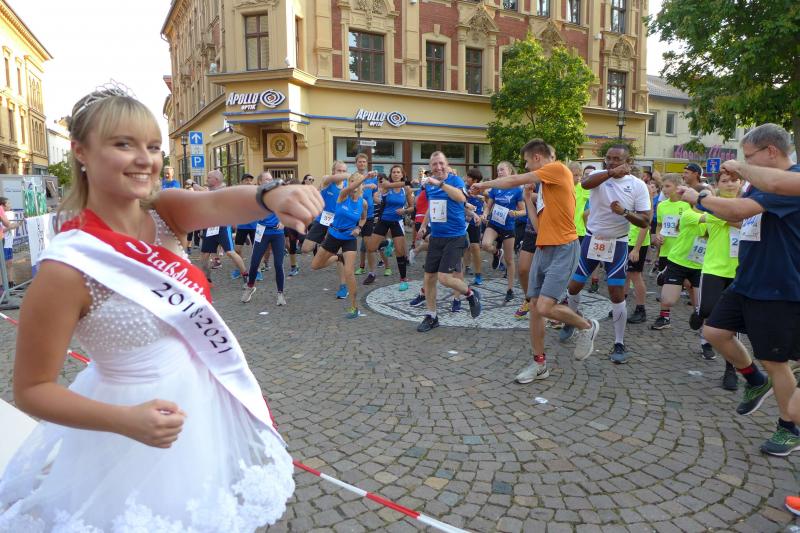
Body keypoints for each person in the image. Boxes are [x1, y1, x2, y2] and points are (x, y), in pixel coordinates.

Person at [0, 87, 324, 530]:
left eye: (153, 146)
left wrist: (271, 195)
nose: (144, 159)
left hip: (199, 404)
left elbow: (217, 203)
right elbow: (32, 389)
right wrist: (124, 421)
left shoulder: (164, 214)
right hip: (125, 422)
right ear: (80, 151)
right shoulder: (66, 268)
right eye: (123, 144)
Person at [679, 125, 800, 472]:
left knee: (776, 361)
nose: (744, 163)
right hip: (748, 279)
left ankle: (788, 428)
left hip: (776, 287)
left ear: (771, 151)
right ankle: (755, 381)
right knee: (714, 331)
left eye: (749, 156)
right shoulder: (762, 182)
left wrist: (700, 198)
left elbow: (737, 212)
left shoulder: (788, 182)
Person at [471, 139, 599, 382]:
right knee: (535, 308)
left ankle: (587, 327)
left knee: (545, 307)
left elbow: (513, 180)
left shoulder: (557, 169)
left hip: (564, 248)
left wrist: (483, 185)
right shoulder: (547, 188)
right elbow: (539, 227)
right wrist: (529, 200)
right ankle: (539, 364)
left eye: (527, 162)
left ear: (537, 158)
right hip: (543, 248)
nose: (527, 167)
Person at [562, 145, 651, 364]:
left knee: (616, 292)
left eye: (617, 159)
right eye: (608, 158)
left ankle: (619, 342)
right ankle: (571, 320)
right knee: (574, 286)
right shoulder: (600, 176)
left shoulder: (637, 185)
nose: (611, 162)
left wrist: (625, 212)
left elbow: (645, 221)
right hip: (592, 239)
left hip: (618, 242)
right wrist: (610, 172)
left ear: (628, 161)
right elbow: (585, 183)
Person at [416, 152, 481, 332]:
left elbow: (461, 198)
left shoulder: (455, 181)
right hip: (437, 236)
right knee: (429, 278)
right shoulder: (429, 185)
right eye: (434, 164)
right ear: (430, 167)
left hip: (455, 236)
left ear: (447, 164)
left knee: (444, 278)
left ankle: (470, 294)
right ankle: (432, 316)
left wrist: (440, 184)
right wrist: (424, 226)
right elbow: (432, 206)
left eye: (441, 163)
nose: (438, 167)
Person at [688, 171, 742, 380]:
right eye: (725, 181)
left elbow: (742, 222)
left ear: (741, 182)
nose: (730, 184)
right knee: (708, 309)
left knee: (732, 323)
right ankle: (700, 312)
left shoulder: (747, 205)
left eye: (734, 180)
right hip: (714, 268)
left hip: (739, 271)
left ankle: (731, 369)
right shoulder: (714, 205)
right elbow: (735, 220)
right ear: (717, 185)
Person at [311, 172, 368, 318]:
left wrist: (359, 228)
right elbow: (349, 189)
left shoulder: (363, 203)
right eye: (352, 181)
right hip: (334, 235)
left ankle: (354, 307)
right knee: (315, 265)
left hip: (349, 238)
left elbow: (363, 218)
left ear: (361, 186)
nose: (354, 185)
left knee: (349, 272)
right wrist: (364, 178)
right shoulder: (343, 195)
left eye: (357, 182)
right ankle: (338, 258)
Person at [300, 161, 350, 298]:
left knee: (340, 253)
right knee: (305, 249)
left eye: (344, 170)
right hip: (323, 219)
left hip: (338, 222)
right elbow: (334, 178)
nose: (342, 173)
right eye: (339, 170)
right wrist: (350, 175)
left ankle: (343, 286)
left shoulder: (347, 185)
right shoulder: (327, 180)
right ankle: (334, 256)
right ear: (333, 171)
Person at [241, 172, 289, 306]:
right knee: (255, 262)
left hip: (277, 233)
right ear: (260, 182)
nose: (270, 181)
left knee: (278, 264)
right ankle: (250, 287)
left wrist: (283, 221)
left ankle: (280, 294)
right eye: (267, 179)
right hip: (262, 232)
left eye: (271, 179)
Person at [481, 161, 524, 302]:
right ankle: (496, 253)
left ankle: (510, 289)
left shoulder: (517, 190)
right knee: (485, 244)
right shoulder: (495, 188)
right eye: (498, 170)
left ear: (510, 171)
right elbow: (488, 206)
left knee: (509, 260)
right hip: (494, 223)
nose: (499, 172)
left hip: (508, 227)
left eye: (502, 170)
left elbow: (524, 210)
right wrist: (485, 214)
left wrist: (515, 213)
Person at [198, 170, 248, 285]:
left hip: (222, 227)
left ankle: (246, 275)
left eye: (209, 177)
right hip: (210, 227)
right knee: (204, 255)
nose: (206, 179)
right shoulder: (209, 191)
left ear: (216, 180)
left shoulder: (224, 191)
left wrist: (192, 183)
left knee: (230, 252)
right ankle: (207, 279)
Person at [368, 165, 414, 291]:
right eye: (394, 172)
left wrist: (405, 211)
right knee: (371, 248)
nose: (396, 174)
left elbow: (412, 207)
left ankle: (403, 279)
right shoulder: (386, 185)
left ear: (402, 174)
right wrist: (408, 182)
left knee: (400, 252)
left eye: (398, 172)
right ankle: (387, 243)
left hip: (397, 222)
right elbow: (387, 187)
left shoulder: (406, 189)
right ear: (391, 174)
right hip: (383, 221)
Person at [232, 173, 257, 280]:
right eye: (246, 180)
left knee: (257, 250)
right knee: (237, 250)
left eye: (250, 180)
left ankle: (257, 271)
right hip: (242, 226)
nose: (249, 182)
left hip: (254, 226)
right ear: (242, 182)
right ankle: (240, 269)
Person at [464, 168, 485, 286]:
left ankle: (478, 274)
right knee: (461, 245)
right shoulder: (463, 188)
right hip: (463, 220)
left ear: (475, 180)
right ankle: (463, 268)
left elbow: (487, 201)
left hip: (475, 221)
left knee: (475, 247)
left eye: (468, 177)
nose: (466, 178)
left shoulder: (482, 189)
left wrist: (482, 215)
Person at [0, 197, 20, 287]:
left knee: (10, 263)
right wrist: (11, 227)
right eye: (8, 203)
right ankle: (3, 287)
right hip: (3, 242)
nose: (10, 205)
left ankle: (11, 283)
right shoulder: (1, 211)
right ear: (2, 205)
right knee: (3, 265)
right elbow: (5, 227)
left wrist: (17, 224)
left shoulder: (7, 213)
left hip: (8, 242)